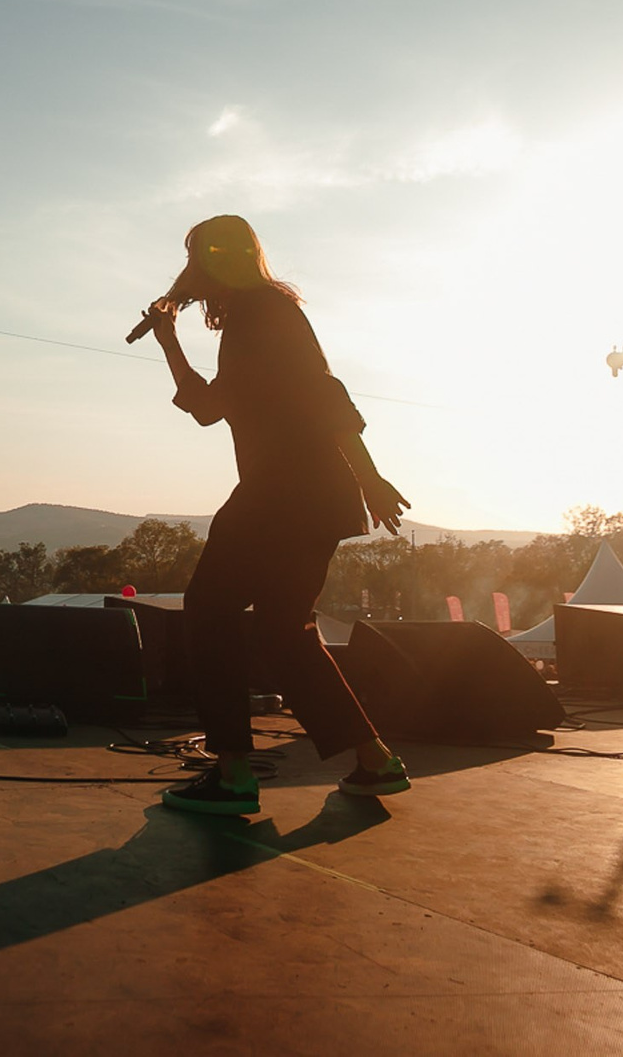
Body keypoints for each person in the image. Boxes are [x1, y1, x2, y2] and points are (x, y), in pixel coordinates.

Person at [140, 215, 412, 816]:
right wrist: (367, 480)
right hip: (316, 495)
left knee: (208, 610)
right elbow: (326, 395)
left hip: (279, 493)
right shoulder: (274, 310)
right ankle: (374, 759)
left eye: (197, 258)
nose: (191, 270)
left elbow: (210, 408)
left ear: (217, 263)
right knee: (282, 632)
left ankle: (234, 770)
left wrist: (167, 341)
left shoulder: (254, 318)